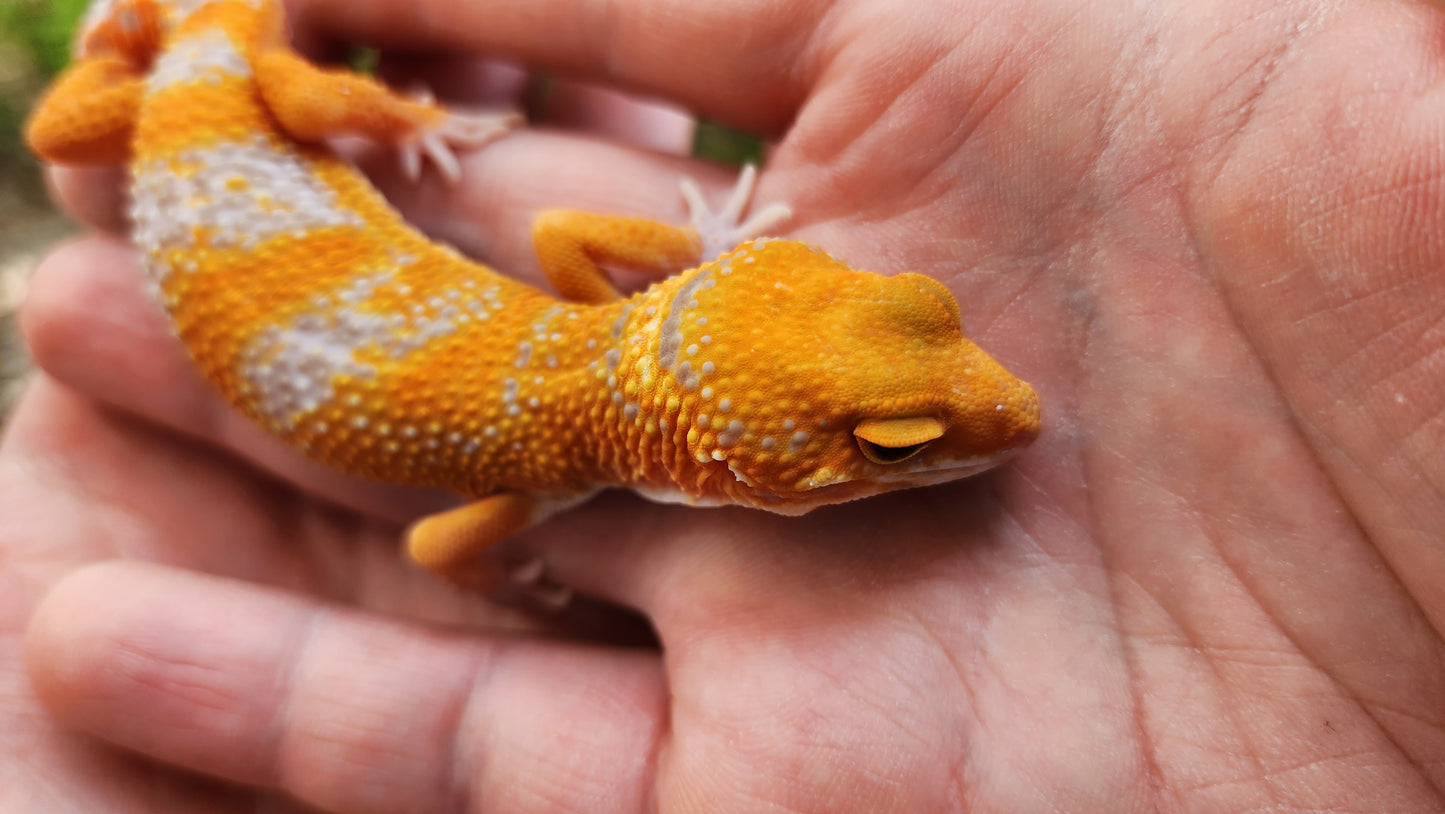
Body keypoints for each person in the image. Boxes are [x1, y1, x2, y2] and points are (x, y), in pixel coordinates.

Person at [4, 0, 1444, 810]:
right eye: (893, 439)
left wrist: (696, 270)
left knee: (88, 111)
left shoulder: (573, 367)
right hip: (237, 99)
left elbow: (563, 259)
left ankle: (144, 38)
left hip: (218, 112)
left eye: (919, 348)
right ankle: (163, 36)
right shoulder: (550, 447)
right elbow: (443, 536)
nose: (1001, 410)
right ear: (706, 467)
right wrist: (512, 568)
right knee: (129, 108)